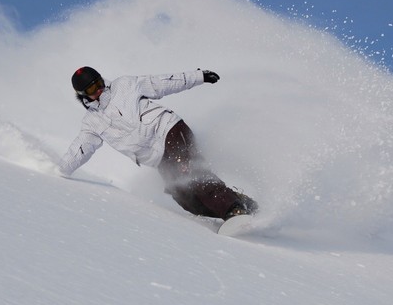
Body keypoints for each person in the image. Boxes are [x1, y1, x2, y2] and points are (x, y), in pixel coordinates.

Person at [58, 66, 258, 221]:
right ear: (83, 94)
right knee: (185, 199)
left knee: (189, 172)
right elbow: (81, 149)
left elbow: (161, 83)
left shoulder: (124, 85)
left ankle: (232, 210)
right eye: (93, 88)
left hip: (169, 131)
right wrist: (59, 171)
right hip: (158, 159)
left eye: (99, 82)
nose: (99, 89)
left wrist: (199, 76)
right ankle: (241, 205)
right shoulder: (92, 122)